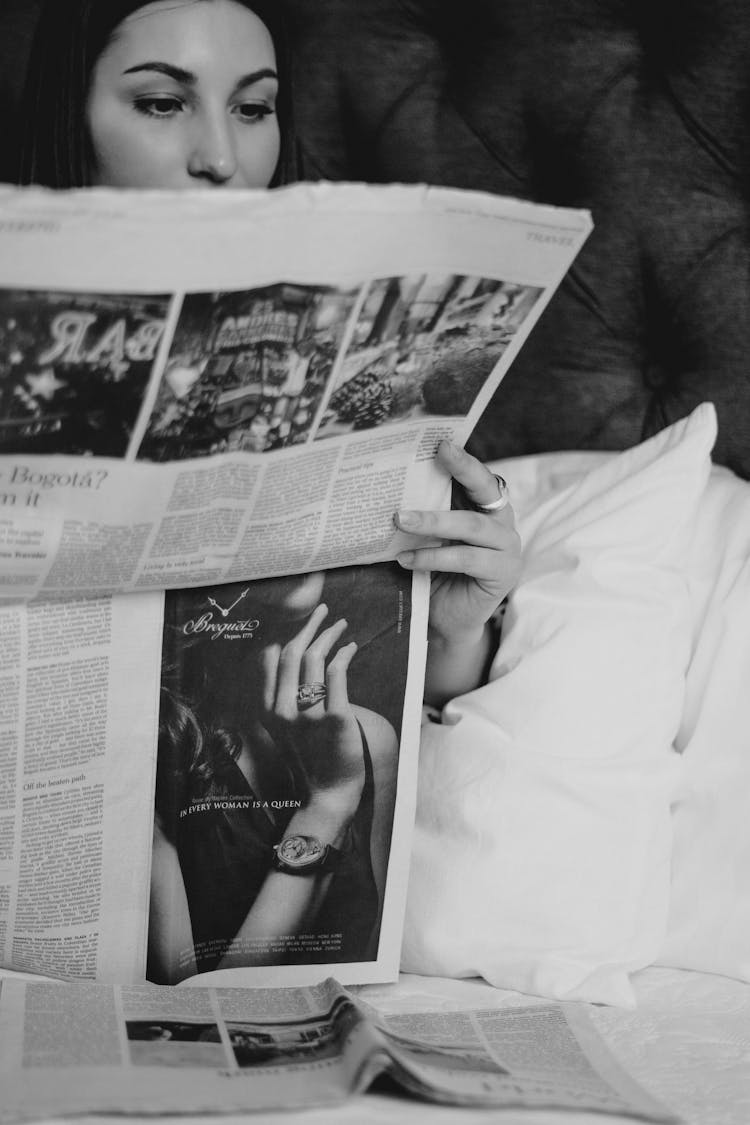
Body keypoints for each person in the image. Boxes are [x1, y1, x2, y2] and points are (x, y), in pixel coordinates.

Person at [16, 0, 522, 979]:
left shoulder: (365, 369)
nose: (222, 157)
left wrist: (461, 623)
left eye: (254, 110)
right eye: (162, 103)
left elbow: (188, 982)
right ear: (67, 121)